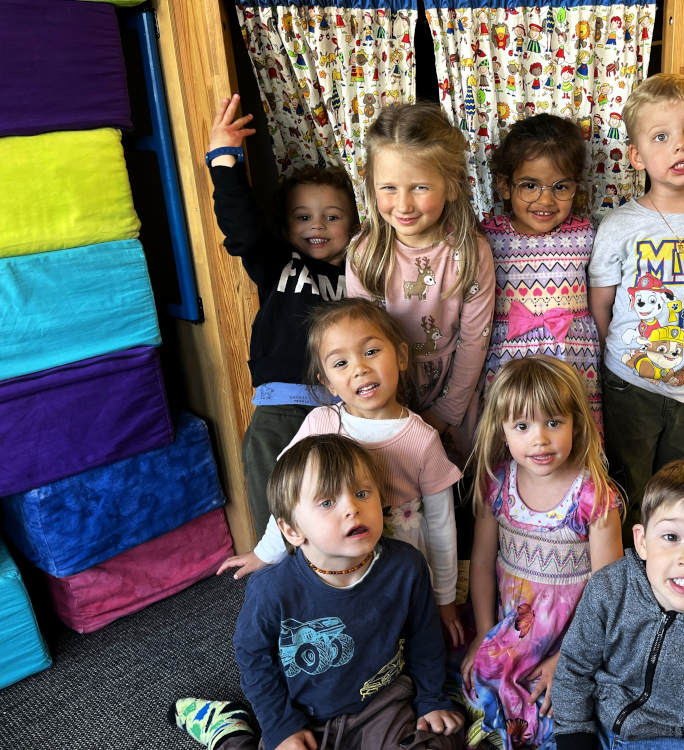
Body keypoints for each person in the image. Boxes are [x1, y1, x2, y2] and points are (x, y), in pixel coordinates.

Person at [173, 434, 463, 750]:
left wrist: (432, 698)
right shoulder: (271, 589)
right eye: (327, 502)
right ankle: (228, 729)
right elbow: (253, 658)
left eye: (362, 493)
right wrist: (281, 727)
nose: (352, 508)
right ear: (292, 530)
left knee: (444, 740)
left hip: (383, 705)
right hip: (305, 715)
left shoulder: (407, 566)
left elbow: (424, 637)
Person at [217, 298, 466, 647]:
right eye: (341, 363)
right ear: (329, 383)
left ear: (401, 357)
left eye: (371, 352)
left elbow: (441, 525)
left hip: (398, 566)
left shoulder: (422, 439)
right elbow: (291, 496)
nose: (359, 369)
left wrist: (444, 598)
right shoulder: (321, 423)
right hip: (335, 564)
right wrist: (265, 553)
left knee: (399, 636)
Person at [588, 73, 684, 533]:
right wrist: (625, 353)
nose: (680, 145)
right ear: (636, 156)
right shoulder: (619, 225)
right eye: (661, 137)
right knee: (628, 482)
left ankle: (669, 555)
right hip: (630, 385)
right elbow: (601, 303)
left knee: (683, 486)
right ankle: (629, 561)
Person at [206, 93, 359, 541]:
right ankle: (273, 575)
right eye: (303, 217)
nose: (317, 225)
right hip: (280, 411)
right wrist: (223, 159)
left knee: (338, 512)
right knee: (274, 514)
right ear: (287, 226)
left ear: (353, 225)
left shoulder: (361, 274)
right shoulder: (280, 264)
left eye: (332, 217)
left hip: (343, 411)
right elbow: (243, 229)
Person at [459, 356, 624, 750]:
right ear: (502, 430)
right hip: (511, 628)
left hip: (575, 637)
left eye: (553, 422)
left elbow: (609, 594)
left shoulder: (593, 498)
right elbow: (481, 564)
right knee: (479, 681)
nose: (540, 440)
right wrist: (483, 632)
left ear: (576, 424)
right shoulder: (497, 484)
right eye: (522, 426)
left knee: (552, 712)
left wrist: (567, 660)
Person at [551, 458, 684, 750]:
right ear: (642, 541)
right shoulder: (608, 589)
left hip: (679, 740)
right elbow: (574, 668)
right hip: (598, 723)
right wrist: (575, 734)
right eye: (671, 537)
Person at [346, 102, 495, 461]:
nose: (403, 205)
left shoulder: (470, 252)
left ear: (452, 186)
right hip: (385, 394)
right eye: (389, 188)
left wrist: (446, 411)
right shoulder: (365, 255)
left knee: (455, 482)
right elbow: (362, 343)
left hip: (455, 391)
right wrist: (388, 411)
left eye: (420, 187)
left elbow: (474, 340)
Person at [481, 114, 603, 435]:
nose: (545, 200)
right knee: (514, 436)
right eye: (530, 185)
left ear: (575, 186)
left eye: (560, 187)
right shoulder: (488, 238)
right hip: (509, 362)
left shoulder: (586, 234)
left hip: (573, 361)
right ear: (505, 186)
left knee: (572, 435)